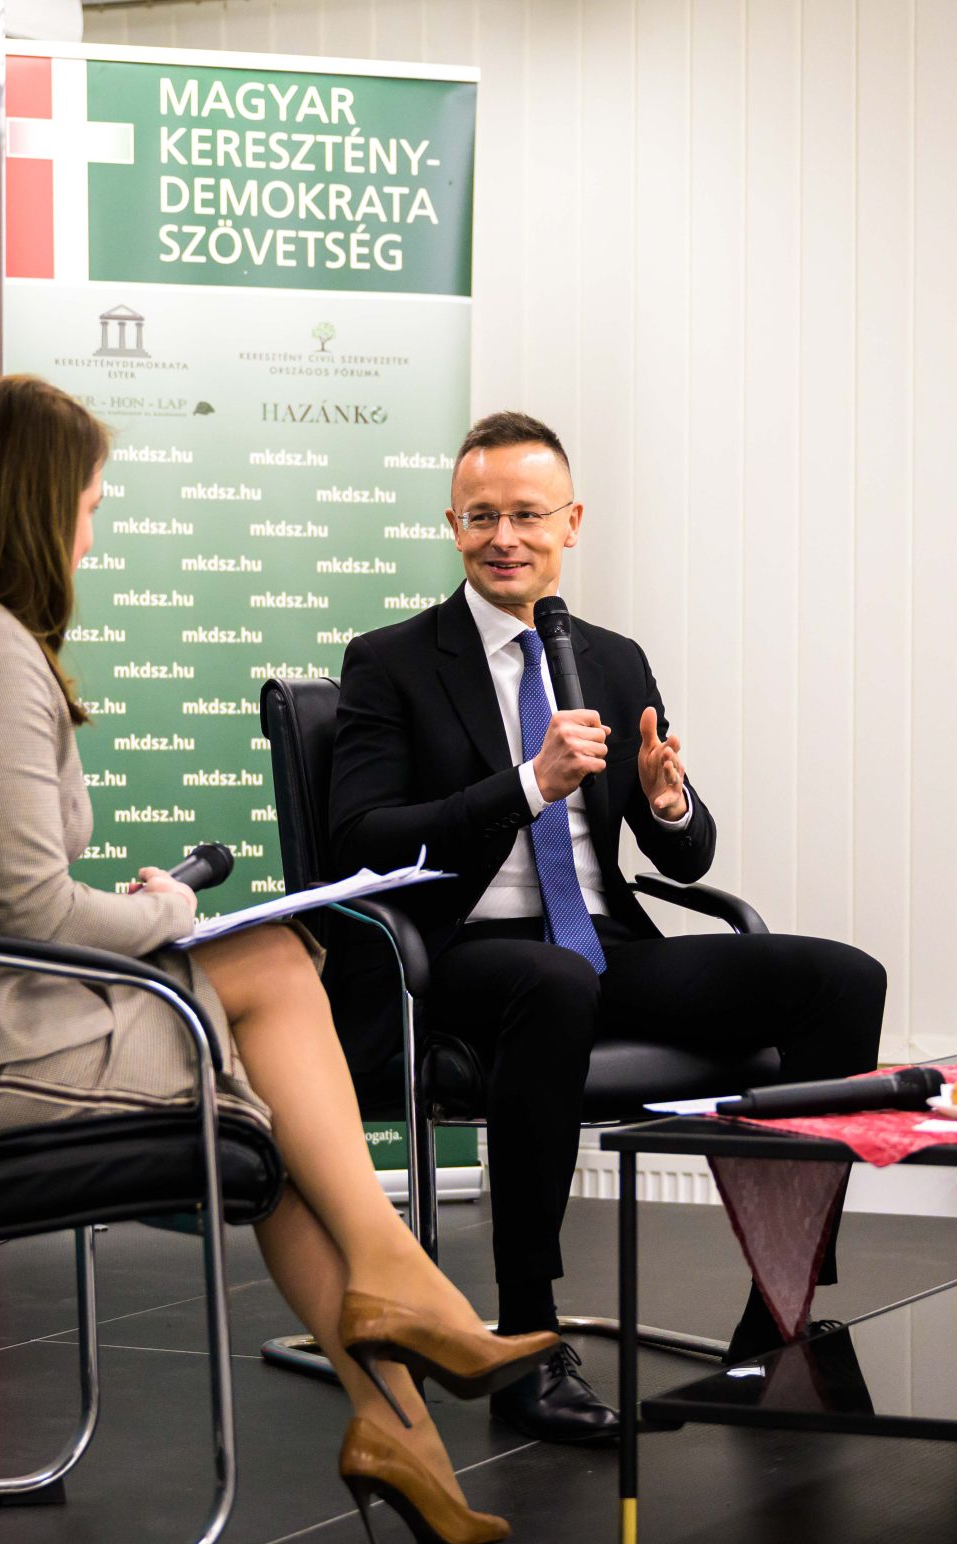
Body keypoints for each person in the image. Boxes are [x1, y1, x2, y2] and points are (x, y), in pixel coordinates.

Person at [0, 375, 556, 1544]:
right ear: (34, 504)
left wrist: (139, 920)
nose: (91, 531)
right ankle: (402, 1306)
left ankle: (400, 1413)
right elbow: (30, 909)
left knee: (272, 1054)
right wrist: (167, 909)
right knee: (269, 1001)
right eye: (88, 506)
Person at [328, 411, 891, 1443]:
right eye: (481, 516)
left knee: (844, 979)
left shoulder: (610, 660)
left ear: (571, 523)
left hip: (599, 944)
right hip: (456, 955)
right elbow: (359, 842)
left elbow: (686, 859)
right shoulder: (391, 662)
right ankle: (526, 1339)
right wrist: (525, 786)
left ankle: (778, 1313)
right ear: (452, 525)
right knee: (551, 983)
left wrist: (669, 803)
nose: (504, 536)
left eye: (527, 514)